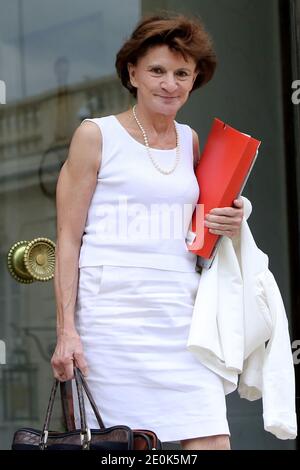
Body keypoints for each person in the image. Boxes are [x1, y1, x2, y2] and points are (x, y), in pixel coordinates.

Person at [51, 12, 244, 451]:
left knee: (212, 439)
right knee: (128, 450)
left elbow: (200, 231)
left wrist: (230, 219)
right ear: (132, 72)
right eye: (157, 70)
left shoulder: (190, 140)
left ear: (195, 80)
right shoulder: (95, 136)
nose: (169, 84)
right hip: (112, 326)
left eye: (182, 73)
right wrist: (66, 331)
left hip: (181, 319)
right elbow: (66, 238)